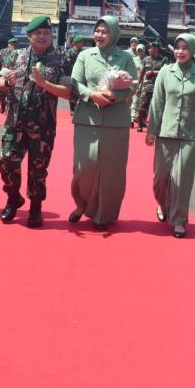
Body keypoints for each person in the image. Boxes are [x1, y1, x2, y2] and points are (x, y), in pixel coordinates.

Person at [0, 15, 69, 228]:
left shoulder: (59, 59)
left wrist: (45, 83)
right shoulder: (14, 56)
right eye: (38, 33)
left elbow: (68, 92)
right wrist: (5, 84)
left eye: (47, 33)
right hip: (14, 123)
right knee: (6, 162)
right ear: (29, 35)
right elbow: (0, 80)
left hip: (43, 126)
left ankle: (35, 208)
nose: (43, 36)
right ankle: (13, 199)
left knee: (38, 171)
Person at [69, 15, 138, 230]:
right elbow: (75, 83)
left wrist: (114, 95)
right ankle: (81, 204)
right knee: (84, 167)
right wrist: (92, 95)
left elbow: (132, 86)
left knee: (112, 171)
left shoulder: (125, 57)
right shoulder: (85, 55)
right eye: (97, 31)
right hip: (87, 119)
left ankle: (103, 215)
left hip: (116, 122)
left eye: (104, 31)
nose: (99, 35)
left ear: (114, 33)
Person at [146, 33, 195, 238]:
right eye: (177, 47)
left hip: (190, 134)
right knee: (161, 178)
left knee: (182, 179)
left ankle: (179, 220)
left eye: (185, 48)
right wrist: (151, 130)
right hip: (166, 132)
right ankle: (163, 205)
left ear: (192, 50)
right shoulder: (166, 72)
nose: (180, 51)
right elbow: (157, 103)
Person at [134, 41, 167, 131]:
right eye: (150, 48)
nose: (150, 50)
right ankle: (140, 124)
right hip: (147, 86)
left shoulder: (164, 60)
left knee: (158, 107)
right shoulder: (145, 60)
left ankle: (157, 126)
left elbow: (166, 72)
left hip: (159, 87)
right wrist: (138, 87)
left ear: (157, 50)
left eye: (153, 48)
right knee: (142, 106)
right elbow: (141, 74)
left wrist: (153, 72)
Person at [0, 38, 19, 114]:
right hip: (4, 73)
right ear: (8, 44)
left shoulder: (19, 52)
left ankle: (9, 110)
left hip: (14, 74)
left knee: (12, 93)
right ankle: (2, 103)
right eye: (11, 44)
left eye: (15, 44)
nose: (13, 45)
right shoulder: (2, 51)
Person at [61, 35, 86, 112]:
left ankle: (78, 108)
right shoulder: (70, 52)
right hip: (72, 75)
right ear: (76, 43)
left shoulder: (83, 52)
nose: (82, 44)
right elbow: (64, 65)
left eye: (82, 42)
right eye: (80, 42)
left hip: (82, 76)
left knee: (80, 92)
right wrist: (69, 76)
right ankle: (73, 109)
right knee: (72, 94)